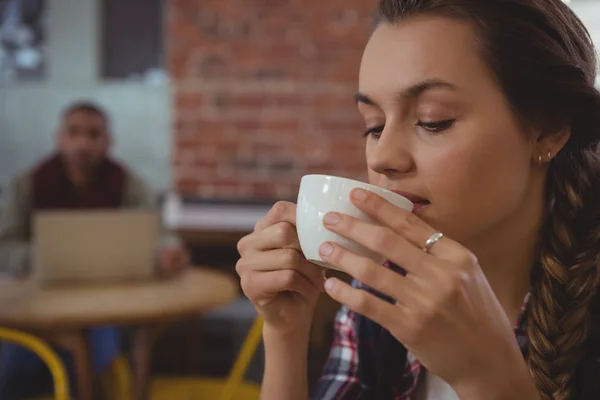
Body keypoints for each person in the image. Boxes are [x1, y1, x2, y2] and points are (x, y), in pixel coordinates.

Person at [236, 0, 600, 399]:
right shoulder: (379, 290)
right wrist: (285, 334)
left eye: (433, 120)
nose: (382, 158)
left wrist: (488, 378)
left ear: (548, 129)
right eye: (374, 127)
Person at [0, 101, 189, 399]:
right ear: (59, 137)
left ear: (108, 141)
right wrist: (42, 257)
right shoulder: (28, 184)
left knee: (96, 363)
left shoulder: (127, 183)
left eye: (93, 134)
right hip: (37, 304)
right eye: (74, 133)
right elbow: (4, 243)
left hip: (104, 306)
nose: (83, 143)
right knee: (14, 368)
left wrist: (168, 251)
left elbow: (159, 232)